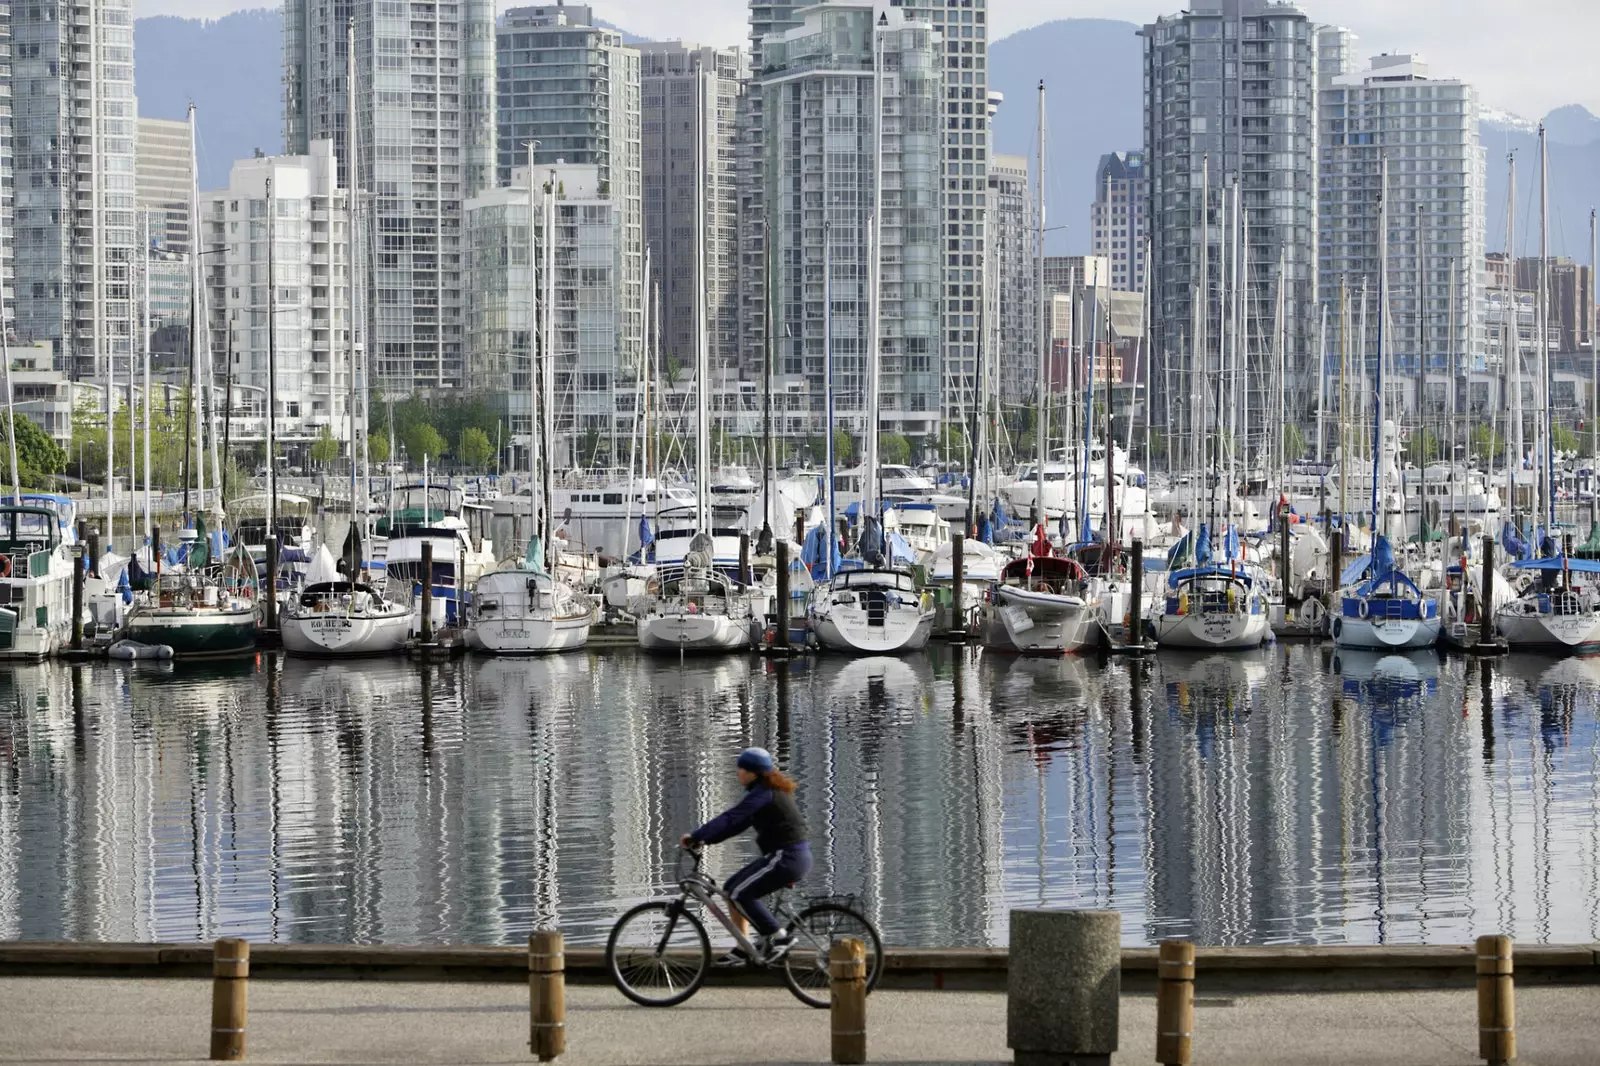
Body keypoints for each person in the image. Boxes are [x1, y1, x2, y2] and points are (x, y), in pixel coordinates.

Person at [681, 747, 811, 965]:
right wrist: (704, 840)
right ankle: (744, 946)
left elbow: (731, 817)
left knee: (739, 893)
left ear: (754, 773)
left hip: (787, 858)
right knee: (731, 888)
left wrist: (696, 835)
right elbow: (736, 825)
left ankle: (780, 938)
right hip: (787, 857)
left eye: (742, 768)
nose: (738, 773)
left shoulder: (763, 794)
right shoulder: (764, 792)